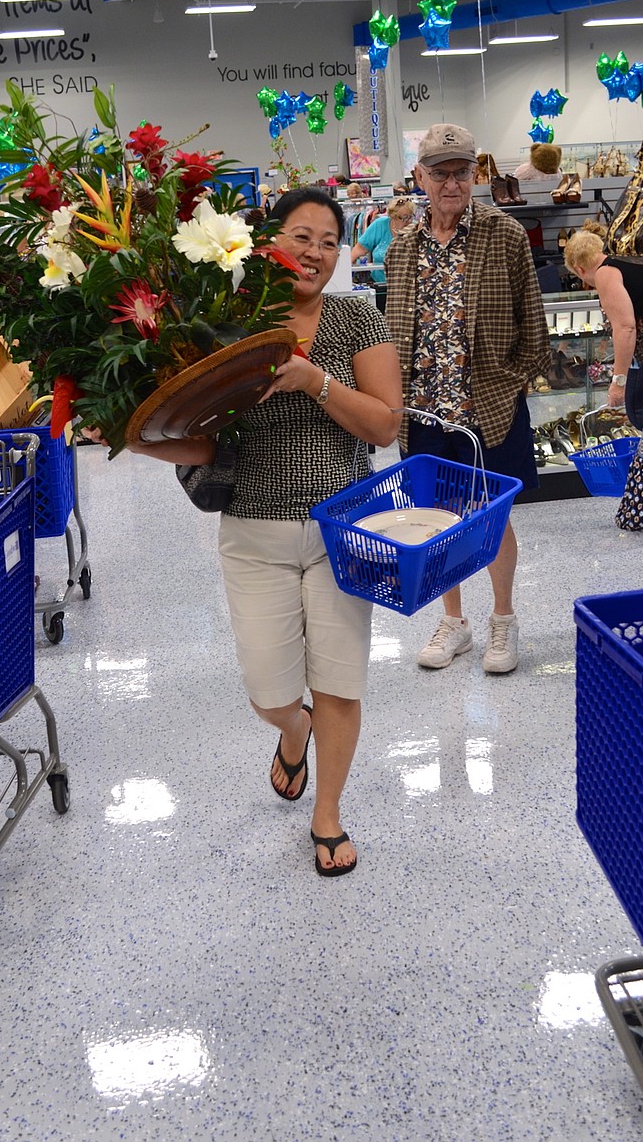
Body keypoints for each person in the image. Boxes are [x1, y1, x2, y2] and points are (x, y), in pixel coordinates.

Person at [92, 188, 403, 876]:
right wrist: (134, 436)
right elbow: (205, 444)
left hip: (343, 532)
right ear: (269, 242)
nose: (314, 252)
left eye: (329, 241)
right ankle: (294, 731)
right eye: (301, 236)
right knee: (270, 695)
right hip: (254, 533)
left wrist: (314, 381)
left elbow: (386, 425)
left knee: (340, 683)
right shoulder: (231, 320)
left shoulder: (356, 317)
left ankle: (328, 814)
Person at [384, 123, 550, 675]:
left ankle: (503, 619)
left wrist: (508, 382)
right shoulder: (403, 247)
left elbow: (535, 329)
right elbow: (394, 329)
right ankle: (453, 621)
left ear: (475, 174)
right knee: (436, 520)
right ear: (420, 177)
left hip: (489, 410)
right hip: (423, 413)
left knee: (493, 518)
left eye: (461, 172)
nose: (451, 183)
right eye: (440, 173)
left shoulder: (504, 234)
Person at [563, 222, 643, 426]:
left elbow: (625, 328)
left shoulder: (605, 273)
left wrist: (619, 382)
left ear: (579, 269)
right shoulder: (628, 259)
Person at [350, 197, 415, 286]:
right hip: (380, 283)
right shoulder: (380, 224)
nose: (409, 221)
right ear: (393, 217)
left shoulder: (415, 229)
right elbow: (360, 248)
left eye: (411, 217)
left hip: (408, 285)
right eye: (405, 218)